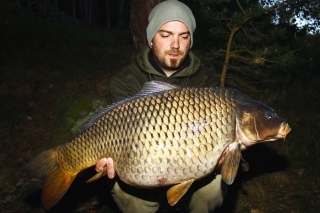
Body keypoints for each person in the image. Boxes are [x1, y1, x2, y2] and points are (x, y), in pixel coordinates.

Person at [96, 0, 227, 212]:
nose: (175, 44)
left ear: (190, 41)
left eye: (183, 36)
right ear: (150, 39)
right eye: (165, 35)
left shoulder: (205, 81)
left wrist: (222, 156)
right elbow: (113, 132)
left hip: (193, 167)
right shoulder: (126, 80)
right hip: (140, 166)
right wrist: (108, 156)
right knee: (124, 192)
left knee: (212, 190)